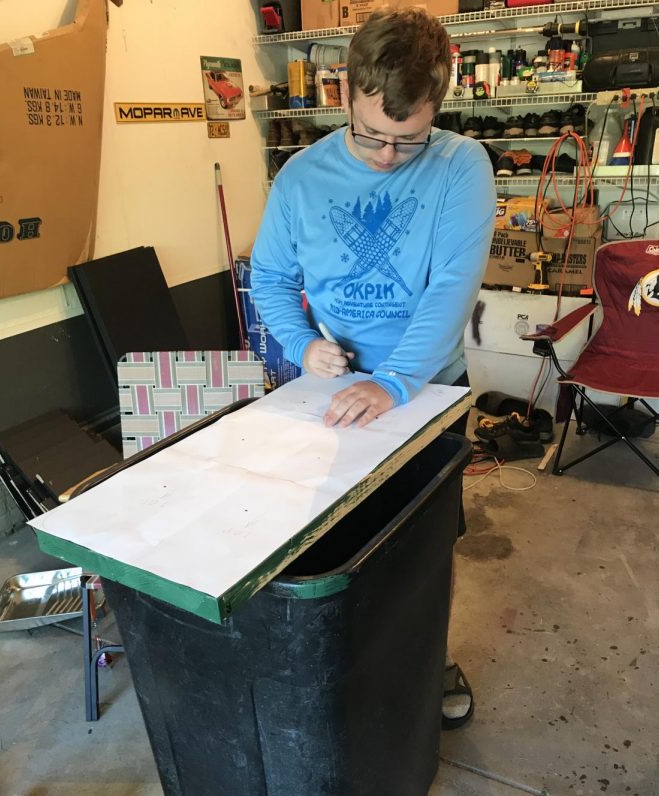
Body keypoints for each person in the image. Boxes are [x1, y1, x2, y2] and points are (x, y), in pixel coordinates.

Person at [251, 6, 496, 728]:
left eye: (407, 140)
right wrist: (303, 346)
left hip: (425, 389)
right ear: (345, 94)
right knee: (336, 539)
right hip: (330, 388)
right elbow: (268, 279)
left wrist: (391, 383)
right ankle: (353, 663)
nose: (387, 156)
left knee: (422, 545)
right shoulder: (300, 177)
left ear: (437, 111)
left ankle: (427, 658)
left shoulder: (460, 166)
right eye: (370, 136)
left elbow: (451, 291)